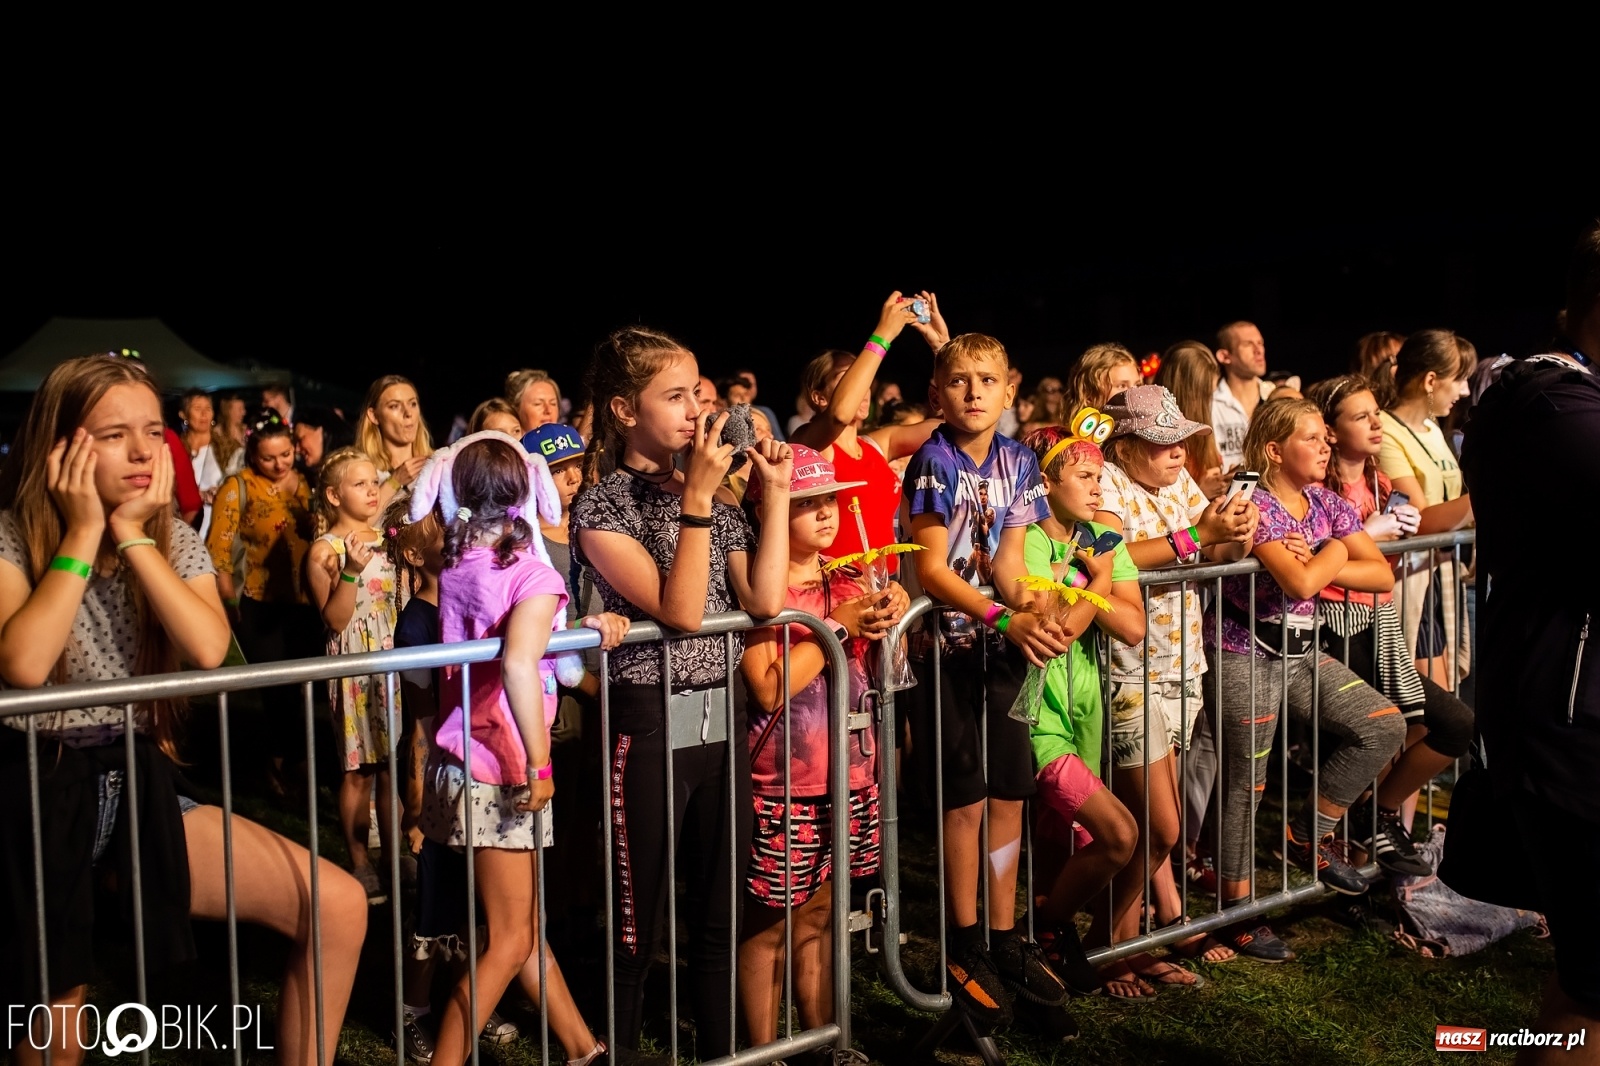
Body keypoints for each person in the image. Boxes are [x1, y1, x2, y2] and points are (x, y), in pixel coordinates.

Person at [0, 355, 365, 1066]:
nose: (144, 451)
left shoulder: (170, 538)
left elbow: (207, 645)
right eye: (113, 434)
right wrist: (82, 533)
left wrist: (134, 536)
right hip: (37, 790)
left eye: (151, 430)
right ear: (61, 445)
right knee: (58, 1020)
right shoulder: (10, 536)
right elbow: (23, 663)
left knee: (338, 904)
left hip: (134, 782)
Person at [572, 326, 793, 1059]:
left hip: (718, 720)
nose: (697, 412)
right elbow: (681, 610)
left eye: (696, 394)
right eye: (674, 397)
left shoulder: (717, 497)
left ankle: (722, 1052)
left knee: (718, 916)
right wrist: (697, 497)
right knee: (636, 926)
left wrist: (777, 495)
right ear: (623, 410)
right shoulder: (605, 505)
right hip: (647, 723)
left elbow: (763, 599)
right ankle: (623, 1050)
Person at [410, 433, 624, 1066]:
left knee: (523, 932)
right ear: (532, 492)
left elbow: (520, 643)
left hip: (460, 762)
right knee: (508, 941)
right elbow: (519, 665)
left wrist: (578, 628)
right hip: (503, 770)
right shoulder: (530, 572)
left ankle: (583, 1050)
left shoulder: (459, 565)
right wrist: (540, 762)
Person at [901, 332, 1072, 1029]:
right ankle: (964, 944)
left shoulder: (1020, 459)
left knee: (1010, 791)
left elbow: (1007, 558)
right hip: (945, 652)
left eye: (988, 380)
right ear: (937, 392)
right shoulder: (931, 463)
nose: (975, 393)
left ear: (1011, 391)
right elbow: (933, 571)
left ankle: (1006, 940)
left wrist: (1034, 608)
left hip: (998, 650)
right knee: (963, 800)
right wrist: (1009, 619)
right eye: (961, 380)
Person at [1461, 219, 1600, 1065]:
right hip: (1573, 723)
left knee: (1584, 979)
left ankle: (1505, 1049)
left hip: (1571, 706)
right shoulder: (1550, 396)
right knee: (1593, 987)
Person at [1207, 397, 1404, 959]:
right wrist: (1331, 556)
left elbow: (1379, 574)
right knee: (1248, 782)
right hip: (1243, 652)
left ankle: (1304, 835)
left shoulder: (1325, 503)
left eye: (1325, 438)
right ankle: (1236, 912)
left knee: (1381, 725)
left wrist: (1328, 548)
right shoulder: (1255, 504)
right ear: (1274, 450)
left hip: (1300, 655)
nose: (1327, 447)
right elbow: (1297, 584)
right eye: (1313, 439)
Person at [737, 445, 907, 1054]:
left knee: (821, 915)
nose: (825, 514)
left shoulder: (848, 574)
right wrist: (841, 625)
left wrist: (889, 616)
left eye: (829, 500)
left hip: (851, 774)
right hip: (786, 782)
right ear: (772, 509)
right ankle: (759, 1050)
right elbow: (767, 684)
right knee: (769, 928)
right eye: (807, 503)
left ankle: (824, 1042)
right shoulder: (764, 588)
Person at [1091, 385, 1256, 969]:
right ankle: (1110, 946)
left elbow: (1208, 556)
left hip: (1183, 666)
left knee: (1161, 823)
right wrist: (1198, 536)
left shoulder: (1181, 484)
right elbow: (1111, 560)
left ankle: (1155, 927)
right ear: (1125, 445)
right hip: (1130, 671)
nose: (1177, 453)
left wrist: (1235, 532)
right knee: (1156, 826)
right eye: (1162, 444)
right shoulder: (1106, 483)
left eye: (1181, 440)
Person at [1306, 375, 1473, 876]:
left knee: (1446, 724)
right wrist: (1365, 542)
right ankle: (1345, 850)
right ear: (1332, 431)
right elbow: (1310, 570)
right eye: (1361, 416)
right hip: (1333, 630)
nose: (1378, 423)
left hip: (1379, 622)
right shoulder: (1316, 489)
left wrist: (1379, 549)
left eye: (1377, 413)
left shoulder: (1381, 481)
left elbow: (1392, 561)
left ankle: (1371, 824)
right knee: (1393, 731)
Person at [1016, 425, 1149, 999]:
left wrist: (1089, 586)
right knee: (1119, 836)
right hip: (1042, 719)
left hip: (1086, 712)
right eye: (1087, 477)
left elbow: (1134, 625)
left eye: (1100, 476)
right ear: (1045, 482)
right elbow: (1057, 635)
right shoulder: (1027, 541)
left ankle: (1038, 943)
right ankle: (1051, 927)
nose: (1100, 489)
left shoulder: (1101, 537)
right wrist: (1096, 583)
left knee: (1056, 845)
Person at [206, 408, 321, 796]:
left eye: (285, 455)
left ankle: (296, 762)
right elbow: (218, 551)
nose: (278, 464)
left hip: (306, 604)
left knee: (306, 689)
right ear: (252, 453)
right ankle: (284, 766)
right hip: (260, 605)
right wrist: (228, 605)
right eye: (268, 457)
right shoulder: (238, 486)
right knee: (278, 693)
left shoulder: (304, 483)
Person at [790, 292, 946, 573]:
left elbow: (953, 424)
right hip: (835, 594)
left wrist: (942, 349)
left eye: (865, 379)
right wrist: (883, 335)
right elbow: (839, 415)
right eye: (849, 379)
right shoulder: (808, 444)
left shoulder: (878, 444)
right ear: (819, 397)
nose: (863, 389)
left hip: (888, 591)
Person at [306, 446, 400, 903]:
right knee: (360, 770)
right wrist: (351, 572)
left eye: (374, 482)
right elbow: (337, 620)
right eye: (360, 483)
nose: (371, 490)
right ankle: (360, 861)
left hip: (394, 660)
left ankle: (393, 857)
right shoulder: (325, 551)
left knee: (392, 769)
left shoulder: (389, 536)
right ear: (333, 495)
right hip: (356, 666)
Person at [1376, 329, 1477, 688]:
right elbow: (1419, 520)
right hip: (1411, 579)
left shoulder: (1433, 429)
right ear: (1431, 380)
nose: (1464, 391)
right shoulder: (1387, 431)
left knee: (1449, 694)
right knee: (1432, 716)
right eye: (1459, 380)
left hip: (1440, 574)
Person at [1155, 340, 1229, 499]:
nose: (1208, 404)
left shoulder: (1201, 430)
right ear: (1184, 392)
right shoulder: (1159, 442)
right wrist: (1198, 493)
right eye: (1205, 396)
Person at [358, 375, 435, 510]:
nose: (408, 413)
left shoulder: (438, 465)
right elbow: (359, 525)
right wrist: (394, 482)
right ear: (374, 415)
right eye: (394, 406)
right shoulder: (361, 472)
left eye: (413, 404)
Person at [1210, 321, 1274, 472]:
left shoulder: (1276, 398)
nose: (1259, 350)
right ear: (1225, 356)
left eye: (1260, 343)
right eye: (1248, 344)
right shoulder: (1211, 404)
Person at [178, 389, 231, 539]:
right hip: (184, 525)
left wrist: (221, 492)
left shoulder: (226, 447)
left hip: (218, 524)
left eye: (208, 409)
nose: (204, 414)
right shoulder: (176, 448)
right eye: (197, 409)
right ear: (183, 414)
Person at [1064, 343, 1143, 413]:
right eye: (1122, 386)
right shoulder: (1057, 430)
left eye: (1137, 385)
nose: (1135, 393)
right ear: (1089, 394)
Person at [292, 405, 355, 487]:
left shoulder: (354, 468)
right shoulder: (311, 479)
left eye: (300, 439)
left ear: (321, 430)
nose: (297, 449)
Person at [733, 368, 785, 441]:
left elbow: (779, 440)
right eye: (744, 382)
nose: (749, 388)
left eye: (752, 384)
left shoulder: (765, 412)